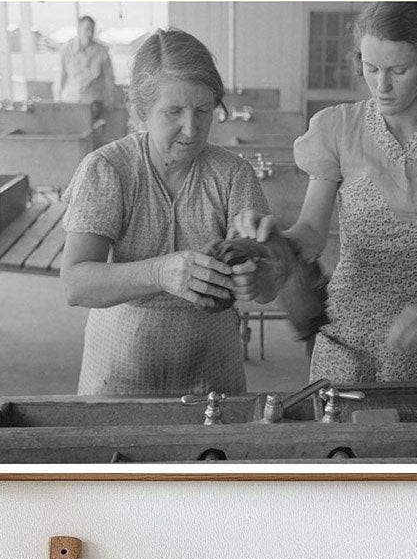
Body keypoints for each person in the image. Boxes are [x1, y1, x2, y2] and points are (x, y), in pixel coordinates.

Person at [233, 1, 417, 389]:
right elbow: (311, 230)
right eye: (371, 67)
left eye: (398, 70)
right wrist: (276, 239)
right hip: (346, 328)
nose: (382, 86)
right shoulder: (337, 127)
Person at [60, 28, 269, 396]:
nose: (192, 128)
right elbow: (76, 284)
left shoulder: (233, 173)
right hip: (120, 366)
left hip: (212, 369)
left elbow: (265, 288)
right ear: (140, 112)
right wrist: (160, 272)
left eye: (204, 110)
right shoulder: (109, 169)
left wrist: (259, 276)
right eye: (173, 111)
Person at [55, 15, 117, 105]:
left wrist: (110, 100)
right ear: (78, 30)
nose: (90, 34)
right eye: (87, 29)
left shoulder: (102, 51)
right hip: (70, 100)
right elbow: (60, 76)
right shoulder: (66, 50)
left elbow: (109, 78)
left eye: (92, 30)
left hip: (94, 104)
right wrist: (57, 100)